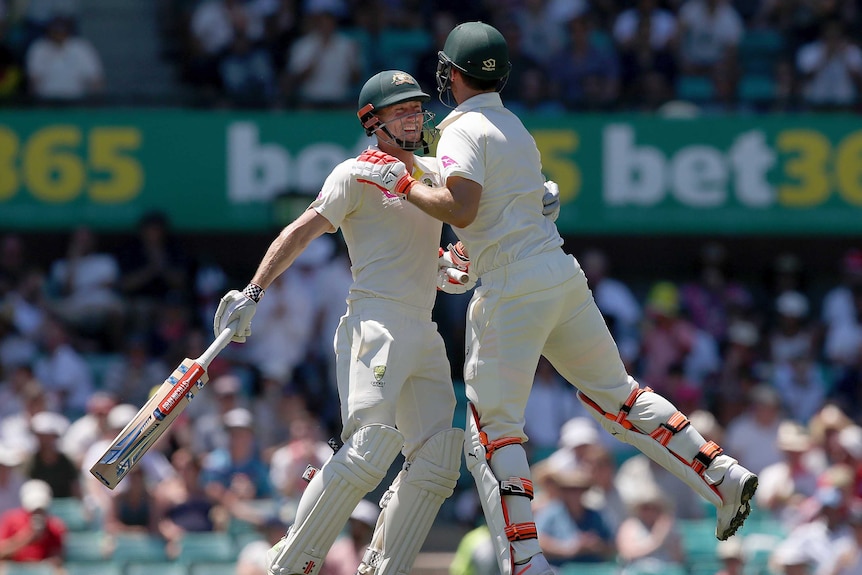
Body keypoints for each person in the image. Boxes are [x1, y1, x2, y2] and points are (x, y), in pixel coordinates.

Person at [347, 21, 758, 575]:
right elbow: (519, 209)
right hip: (558, 272)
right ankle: (723, 474)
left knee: (490, 431)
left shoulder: (462, 129)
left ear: (454, 73)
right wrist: (467, 252)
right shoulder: (514, 126)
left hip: (512, 286)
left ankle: (526, 561)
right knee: (620, 398)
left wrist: (400, 183)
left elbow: (462, 207)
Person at [213, 69, 467, 575]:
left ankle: (381, 568)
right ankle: (287, 564)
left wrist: (451, 263)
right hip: (375, 322)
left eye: (416, 108)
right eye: (400, 111)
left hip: (424, 326)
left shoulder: (434, 173)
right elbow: (301, 231)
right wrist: (254, 291)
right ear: (373, 121)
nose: (414, 118)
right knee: (368, 448)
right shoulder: (354, 173)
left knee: (439, 462)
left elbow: (442, 234)